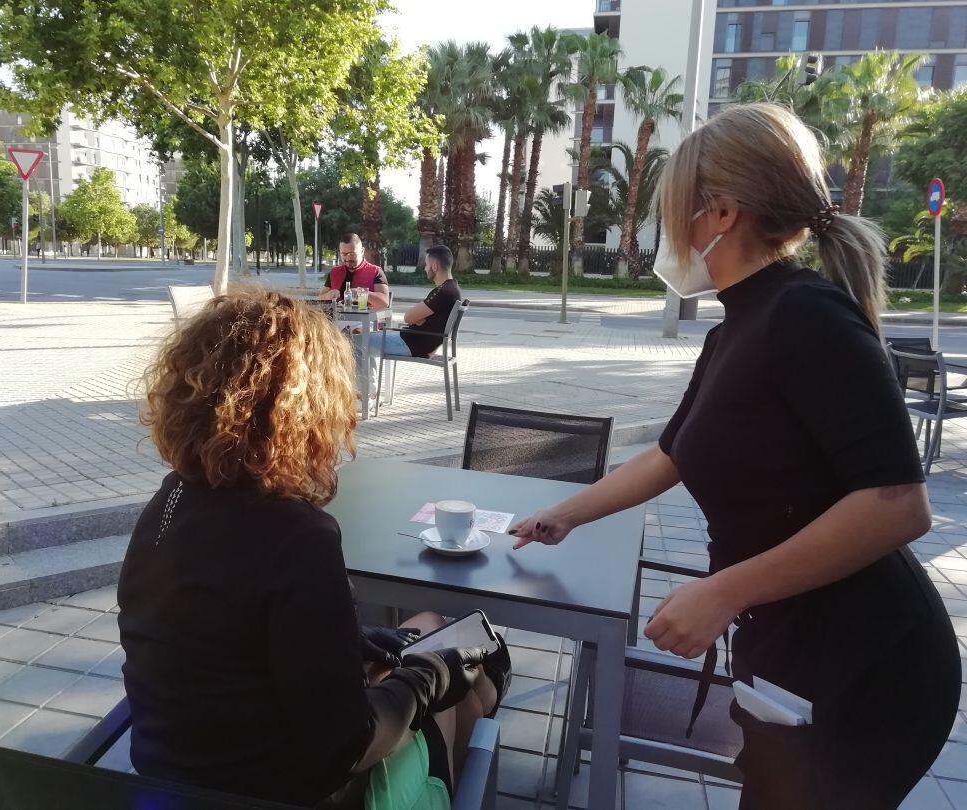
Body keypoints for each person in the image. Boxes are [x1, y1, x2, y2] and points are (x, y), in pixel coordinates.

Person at [509, 103, 959, 809]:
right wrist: (562, 515)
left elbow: (898, 506)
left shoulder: (808, 316)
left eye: (674, 209)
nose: (667, 231)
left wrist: (722, 592)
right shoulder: (737, 328)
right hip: (790, 648)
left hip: (869, 666)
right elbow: (671, 454)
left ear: (720, 214)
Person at [119, 289, 506, 810]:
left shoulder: (169, 501)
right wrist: (429, 677)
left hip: (174, 767)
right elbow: (345, 744)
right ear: (310, 412)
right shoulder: (299, 537)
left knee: (436, 636)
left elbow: (227, 630)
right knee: (457, 687)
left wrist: (355, 636)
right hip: (271, 788)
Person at [366, 244, 462, 392]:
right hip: (417, 341)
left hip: (412, 344)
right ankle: (368, 391)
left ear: (435, 267)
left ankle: (366, 394)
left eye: (426, 264)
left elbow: (408, 317)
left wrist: (417, 320)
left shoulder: (443, 292)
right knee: (363, 340)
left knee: (357, 342)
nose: (424, 268)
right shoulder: (452, 288)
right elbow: (415, 318)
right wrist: (419, 320)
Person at [321, 233, 391, 309]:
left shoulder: (376, 272)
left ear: (362, 251)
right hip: (336, 318)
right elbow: (320, 298)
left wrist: (363, 293)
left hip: (365, 319)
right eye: (344, 254)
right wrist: (328, 295)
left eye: (352, 254)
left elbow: (384, 302)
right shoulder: (334, 272)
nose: (348, 258)